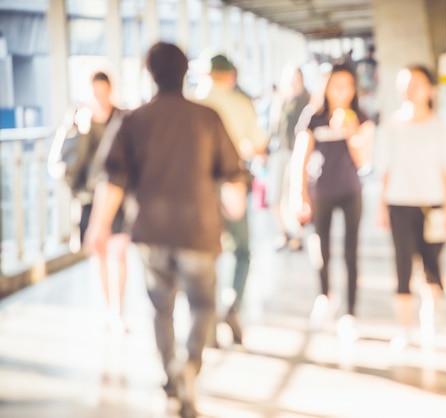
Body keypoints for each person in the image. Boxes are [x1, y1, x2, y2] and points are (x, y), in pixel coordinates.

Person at [84, 42, 248, 418]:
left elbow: (113, 179)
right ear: (186, 71)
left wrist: (99, 226)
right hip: (199, 230)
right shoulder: (207, 117)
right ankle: (190, 365)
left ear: (149, 73)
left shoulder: (133, 120)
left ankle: (171, 377)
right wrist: (235, 204)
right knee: (203, 304)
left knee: (162, 307)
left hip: (151, 231)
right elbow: (233, 172)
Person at [378, 65, 446, 348]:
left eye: (416, 83)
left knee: (431, 264)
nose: (410, 89)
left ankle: (430, 315)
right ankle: (403, 327)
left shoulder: (440, 126)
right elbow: (385, 170)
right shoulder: (391, 126)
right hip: (399, 204)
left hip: (433, 206)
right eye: (405, 83)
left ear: (430, 89)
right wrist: (381, 206)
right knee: (402, 266)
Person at [292, 63, 375, 340]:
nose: (342, 91)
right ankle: (325, 296)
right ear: (325, 87)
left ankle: (350, 312)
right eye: (336, 85)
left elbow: (365, 162)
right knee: (322, 248)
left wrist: (351, 132)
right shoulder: (312, 117)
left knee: (351, 252)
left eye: (347, 86)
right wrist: (299, 193)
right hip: (320, 191)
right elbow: (300, 158)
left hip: (350, 191)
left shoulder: (361, 117)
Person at [194, 54, 268, 346]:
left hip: (198, 188)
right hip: (233, 183)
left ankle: (208, 318)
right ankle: (232, 305)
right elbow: (257, 145)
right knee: (241, 250)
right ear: (231, 76)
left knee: (207, 252)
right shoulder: (240, 104)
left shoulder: (192, 103)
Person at [48, 71, 129, 329]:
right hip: (88, 195)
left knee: (119, 250)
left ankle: (118, 310)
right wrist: (80, 130)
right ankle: (108, 309)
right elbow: (64, 159)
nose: (100, 97)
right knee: (100, 252)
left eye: (104, 92)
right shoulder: (78, 117)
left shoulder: (121, 116)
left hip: (117, 193)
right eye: (95, 92)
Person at [268, 67, 311, 251]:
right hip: (280, 151)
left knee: (295, 194)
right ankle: (283, 232)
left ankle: (297, 234)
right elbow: (273, 128)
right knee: (275, 196)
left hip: (297, 152)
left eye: (296, 79)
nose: (292, 83)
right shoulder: (280, 100)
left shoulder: (307, 101)